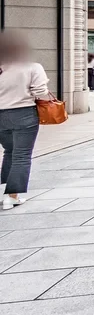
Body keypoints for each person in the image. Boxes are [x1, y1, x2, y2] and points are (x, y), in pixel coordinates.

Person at [0, 31, 49, 210]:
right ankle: (11, 197)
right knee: (21, 155)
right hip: (23, 114)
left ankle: (4, 191)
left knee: (9, 152)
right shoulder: (32, 67)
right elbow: (40, 91)